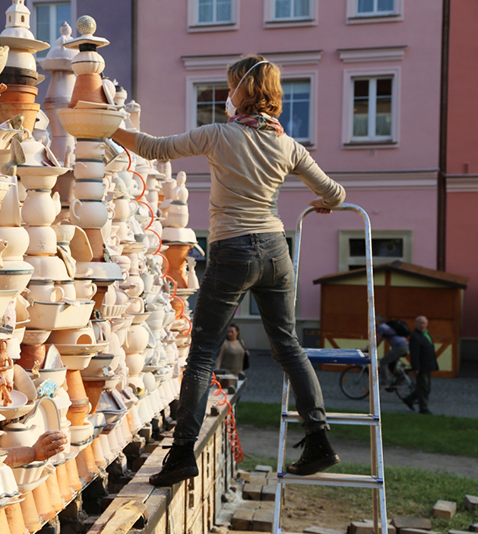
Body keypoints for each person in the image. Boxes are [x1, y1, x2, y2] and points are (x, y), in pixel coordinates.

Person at [112, 55, 345, 486]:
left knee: (202, 353)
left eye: (229, 86)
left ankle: (182, 454)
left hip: (232, 250)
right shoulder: (288, 145)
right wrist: (324, 204)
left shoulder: (219, 135)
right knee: (290, 347)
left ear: (242, 91)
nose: (226, 94)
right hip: (277, 251)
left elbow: (153, 148)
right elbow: (334, 192)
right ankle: (319, 440)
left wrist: (105, 126)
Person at [403, 316, 437, 414]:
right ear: (416, 324)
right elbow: (414, 353)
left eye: (423, 323)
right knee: (424, 387)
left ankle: (409, 399)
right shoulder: (415, 336)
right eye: (420, 323)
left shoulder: (425, 334)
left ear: (427, 324)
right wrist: (416, 367)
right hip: (421, 365)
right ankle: (423, 408)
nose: (422, 325)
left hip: (427, 364)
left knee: (425, 386)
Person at [374, 317, 409, 388]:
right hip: (403, 345)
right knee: (391, 364)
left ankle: (385, 382)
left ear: (377, 321)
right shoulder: (386, 326)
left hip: (399, 347)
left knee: (383, 362)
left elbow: (377, 342)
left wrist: (366, 349)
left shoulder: (381, 327)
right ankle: (400, 377)